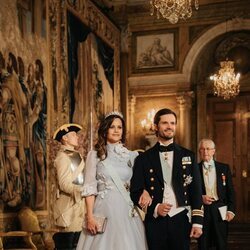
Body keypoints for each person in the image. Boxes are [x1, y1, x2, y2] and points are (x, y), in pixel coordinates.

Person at [130, 108, 204, 250]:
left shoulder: (188, 155)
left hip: (181, 218)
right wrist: (156, 208)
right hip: (155, 221)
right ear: (156, 126)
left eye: (172, 123)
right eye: (165, 123)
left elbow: (196, 190)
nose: (169, 126)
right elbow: (135, 191)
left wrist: (197, 222)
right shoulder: (144, 158)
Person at [76, 111, 149, 250]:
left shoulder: (132, 156)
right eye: (112, 127)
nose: (116, 130)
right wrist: (90, 217)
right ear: (105, 130)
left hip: (127, 211)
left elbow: (139, 183)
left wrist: (145, 191)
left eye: (119, 127)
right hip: (103, 210)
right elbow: (90, 188)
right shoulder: (95, 155)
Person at [197, 138, 236, 250]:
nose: (205, 152)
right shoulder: (194, 169)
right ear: (199, 151)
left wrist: (231, 210)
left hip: (220, 209)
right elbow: (190, 191)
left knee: (221, 243)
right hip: (202, 210)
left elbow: (230, 191)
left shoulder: (224, 168)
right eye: (202, 149)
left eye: (208, 149)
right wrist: (200, 198)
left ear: (213, 151)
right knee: (203, 244)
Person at [52, 123, 85, 250]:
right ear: (65, 138)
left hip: (80, 206)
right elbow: (64, 184)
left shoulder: (77, 155)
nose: (77, 137)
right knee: (69, 244)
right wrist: (83, 190)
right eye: (73, 134)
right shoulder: (62, 157)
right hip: (69, 208)